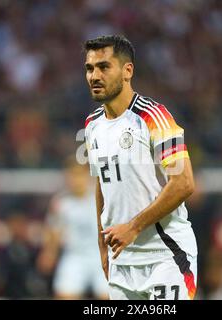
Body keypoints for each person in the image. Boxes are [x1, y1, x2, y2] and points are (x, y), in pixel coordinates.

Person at [83, 35, 198, 300]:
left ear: (127, 71)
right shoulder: (91, 125)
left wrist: (133, 227)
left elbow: (184, 183)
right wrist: (102, 245)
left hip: (166, 255)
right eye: (90, 68)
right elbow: (102, 183)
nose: (94, 75)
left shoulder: (154, 116)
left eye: (103, 67)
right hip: (122, 261)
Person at [37, 158, 108, 299]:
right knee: (64, 295)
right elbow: (54, 230)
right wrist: (49, 252)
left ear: (87, 175)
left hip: (101, 255)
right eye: (72, 175)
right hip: (74, 255)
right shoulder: (61, 202)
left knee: (109, 296)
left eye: (79, 175)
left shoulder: (101, 197)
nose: (76, 180)